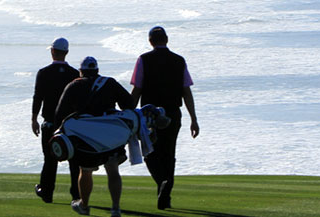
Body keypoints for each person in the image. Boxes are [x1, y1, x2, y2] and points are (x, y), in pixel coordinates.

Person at [129, 26, 199, 210]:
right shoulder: (178, 60)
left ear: (150, 41)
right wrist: (194, 118)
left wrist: (128, 112)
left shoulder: (144, 60)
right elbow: (186, 91)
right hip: (173, 113)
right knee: (169, 153)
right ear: (166, 39)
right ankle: (165, 193)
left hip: (149, 114)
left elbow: (137, 89)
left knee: (150, 152)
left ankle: (162, 182)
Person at [54, 56, 135, 217]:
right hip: (110, 136)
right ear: (97, 70)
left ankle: (84, 205)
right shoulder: (110, 83)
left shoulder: (73, 86)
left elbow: (59, 114)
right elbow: (129, 104)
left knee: (85, 171)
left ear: (81, 71)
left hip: (86, 138)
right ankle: (115, 208)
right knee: (113, 170)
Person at [30, 37, 81, 204]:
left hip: (50, 122)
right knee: (74, 160)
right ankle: (76, 193)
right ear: (66, 52)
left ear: (53, 51)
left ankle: (47, 191)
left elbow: (38, 97)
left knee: (50, 158)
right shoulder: (75, 74)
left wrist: (34, 118)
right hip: (70, 124)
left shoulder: (44, 73)